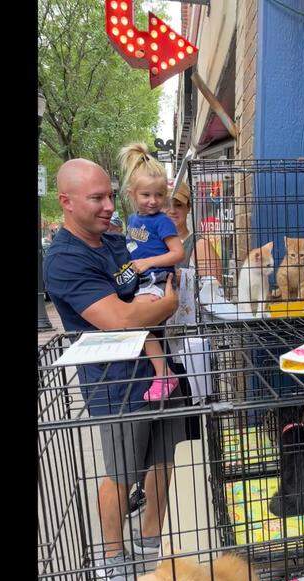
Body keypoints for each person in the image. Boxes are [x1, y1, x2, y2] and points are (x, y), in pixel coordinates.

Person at [43, 158, 184, 581]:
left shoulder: (115, 240)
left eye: (110, 195)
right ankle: (113, 555)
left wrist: (149, 301)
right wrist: (164, 305)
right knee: (121, 473)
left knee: (163, 460)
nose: (109, 205)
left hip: (157, 370)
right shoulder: (64, 260)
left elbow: (139, 288)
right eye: (97, 198)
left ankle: (149, 541)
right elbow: (120, 319)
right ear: (66, 202)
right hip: (115, 384)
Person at [117, 143, 186, 401]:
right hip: (140, 279)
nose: (153, 201)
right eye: (146, 194)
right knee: (144, 327)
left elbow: (178, 253)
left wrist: (148, 262)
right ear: (131, 193)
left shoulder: (162, 221)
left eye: (158, 195)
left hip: (156, 277)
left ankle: (164, 374)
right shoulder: (134, 220)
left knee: (139, 324)